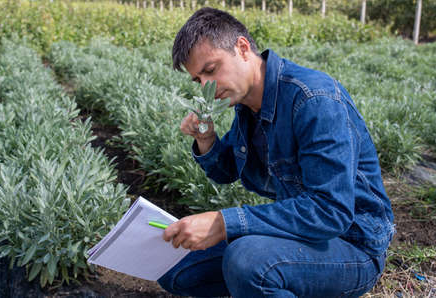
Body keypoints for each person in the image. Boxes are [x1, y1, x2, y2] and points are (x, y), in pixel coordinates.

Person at [158, 7, 395, 298]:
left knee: (247, 261)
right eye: (197, 79)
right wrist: (206, 139)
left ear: (242, 48)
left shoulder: (313, 99)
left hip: (351, 245)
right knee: (174, 269)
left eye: (210, 69)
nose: (206, 86)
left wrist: (225, 223)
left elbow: (331, 212)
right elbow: (228, 170)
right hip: (299, 236)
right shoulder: (247, 104)